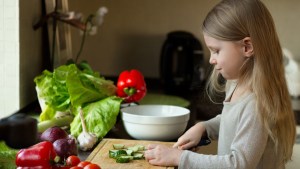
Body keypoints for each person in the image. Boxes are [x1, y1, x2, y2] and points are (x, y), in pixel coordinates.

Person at [144, 0, 296, 168]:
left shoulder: (256, 103)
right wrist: (205, 127)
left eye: (216, 50)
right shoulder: (236, 84)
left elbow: (238, 165)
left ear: (247, 47)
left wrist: (180, 158)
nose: (211, 59)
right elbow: (234, 121)